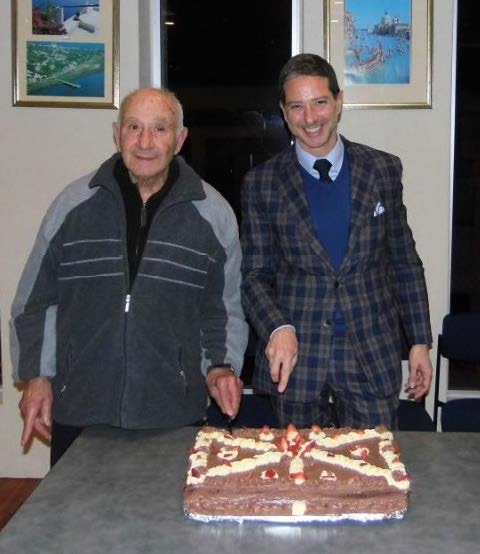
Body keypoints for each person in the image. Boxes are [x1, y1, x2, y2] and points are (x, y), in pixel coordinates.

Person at [11, 88, 248, 465]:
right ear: (116, 133)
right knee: (73, 507)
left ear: (180, 139)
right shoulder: (72, 206)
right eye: (134, 127)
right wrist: (38, 376)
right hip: (79, 409)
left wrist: (220, 367)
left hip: (174, 414)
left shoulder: (214, 215)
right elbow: (35, 301)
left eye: (160, 128)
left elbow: (223, 309)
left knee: (167, 507)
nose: (145, 142)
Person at [240, 54, 433, 429]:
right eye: (297, 106)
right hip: (297, 361)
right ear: (283, 111)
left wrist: (419, 341)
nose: (310, 118)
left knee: (373, 463)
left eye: (319, 102)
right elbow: (254, 276)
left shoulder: (382, 169)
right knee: (299, 465)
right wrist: (278, 327)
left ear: (339, 101)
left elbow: (404, 262)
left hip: (369, 354)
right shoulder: (261, 183)